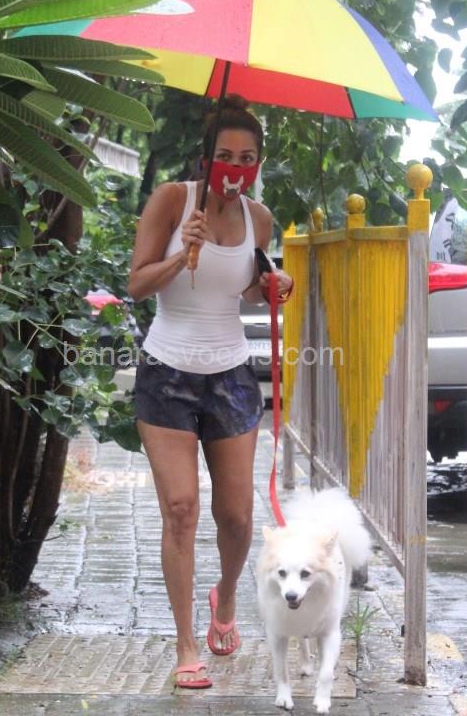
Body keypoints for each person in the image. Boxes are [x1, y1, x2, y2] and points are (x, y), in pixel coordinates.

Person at [127, 95, 293, 689]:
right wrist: (182, 254)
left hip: (230, 375)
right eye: (226, 155)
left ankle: (225, 600)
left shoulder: (259, 217)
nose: (236, 167)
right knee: (180, 509)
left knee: (238, 517)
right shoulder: (173, 201)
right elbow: (136, 283)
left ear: (257, 163)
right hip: (167, 372)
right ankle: (186, 645)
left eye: (247, 158)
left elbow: (243, 288)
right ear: (207, 157)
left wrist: (272, 284)